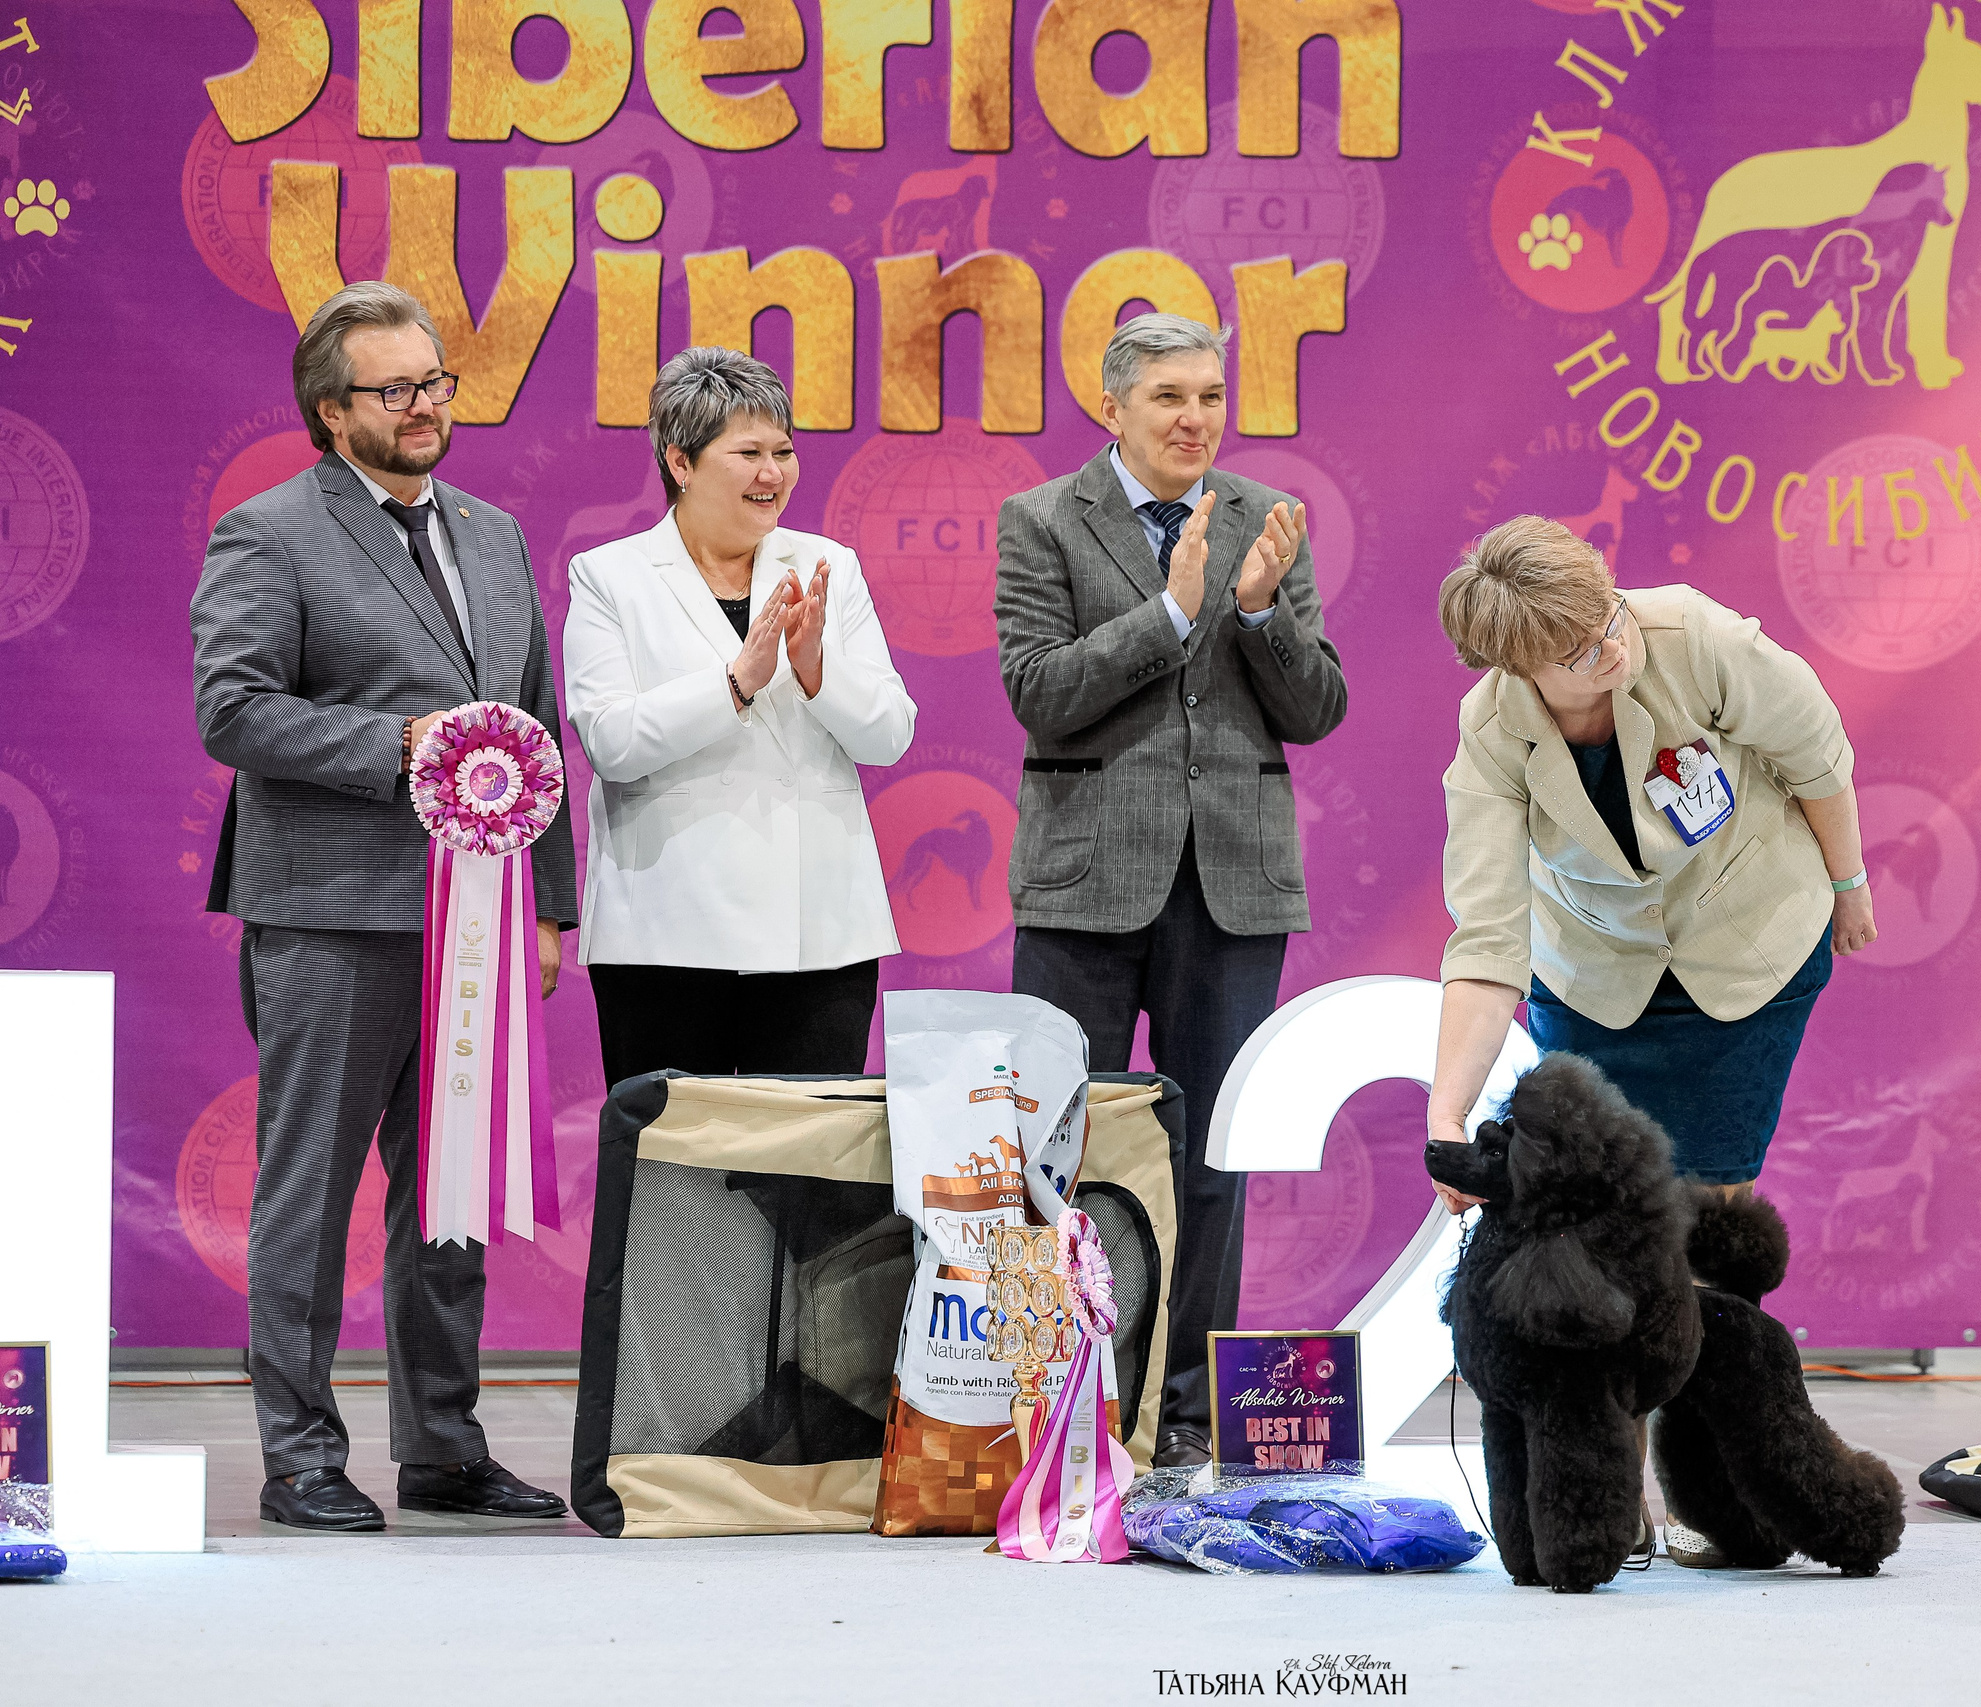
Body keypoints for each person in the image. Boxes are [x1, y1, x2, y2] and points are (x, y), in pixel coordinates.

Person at [191, 281, 575, 1531]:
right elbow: (233, 710)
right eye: (395, 389)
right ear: (329, 408)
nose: (424, 407)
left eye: (436, 382)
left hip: (483, 920)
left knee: (451, 1193)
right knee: (307, 1190)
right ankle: (300, 1455)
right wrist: (400, 744)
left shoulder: (498, 534)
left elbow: (535, 731)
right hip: (328, 914)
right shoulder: (270, 533)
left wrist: (552, 904)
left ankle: (444, 1450)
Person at [1422, 516, 1875, 1562]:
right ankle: (1602, 1503)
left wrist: (1848, 885)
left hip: (1751, 945)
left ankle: (1732, 1498)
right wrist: (1445, 1114)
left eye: (1605, 618)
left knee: (1706, 1231)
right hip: (1597, 981)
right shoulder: (1490, 736)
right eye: (1574, 649)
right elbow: (1487, 937)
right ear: (1514, 666)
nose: (1608, 647)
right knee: (1592, 1238)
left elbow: (1817, 754)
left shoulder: (1694, 636)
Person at [995, 312, 1350, 1464]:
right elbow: (1040, 693)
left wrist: (1253, 613)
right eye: (1169, 399)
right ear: (1115, 407)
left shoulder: (1263, 520)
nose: (1194, 417)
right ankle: (1061, 1411)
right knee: (1060, 1159)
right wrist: (1170, 616)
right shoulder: (1041, 520)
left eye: (1209, 394)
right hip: (1084, 889)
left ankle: (1193, 1420)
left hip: (1233, 888)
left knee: (1213, 1161)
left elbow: (1316, 710)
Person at [563, 347, 915, 1087]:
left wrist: (816, 669)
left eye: (783, 452)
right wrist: (737, 680)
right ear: (681, 462)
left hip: (819, 930)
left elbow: (889, 732)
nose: (773, 473)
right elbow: (612, 742)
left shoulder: (829, 564)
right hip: (662, 931)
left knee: (805, 1183)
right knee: (670, 1178)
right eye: (748, 452)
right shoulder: (609, 576)